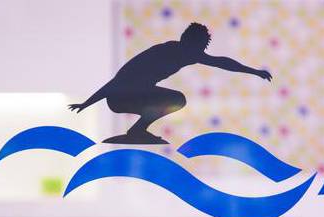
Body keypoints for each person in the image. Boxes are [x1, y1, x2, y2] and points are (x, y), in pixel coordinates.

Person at [68, 22, 272, 144]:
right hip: (120, 96)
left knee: (175, 100)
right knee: (176, 99)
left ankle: (138, 130)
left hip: (138, 93)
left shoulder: (190, 54)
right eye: (197, 47)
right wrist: (86, 104)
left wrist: (254, 72)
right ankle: (137, 131)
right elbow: (118, 81)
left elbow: (222, 62)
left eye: (200, 49)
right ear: (185, 40)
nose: (199, 53)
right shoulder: (163, 51)